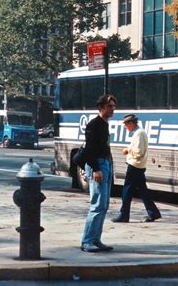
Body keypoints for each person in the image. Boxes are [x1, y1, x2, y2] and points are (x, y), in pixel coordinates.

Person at [80, 94, 117, 253]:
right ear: (101, 107)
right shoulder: (94, 124)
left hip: (106, 163)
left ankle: (96, 239)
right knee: (97, 204)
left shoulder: (104, 124)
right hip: (99, 164)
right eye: (109, 106)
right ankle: (87, 240)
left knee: (104, 204)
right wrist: (96, 169)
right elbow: (89, 150)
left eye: (113, 106)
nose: (112, 109)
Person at [112, 114, 162, 223]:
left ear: (131, 123)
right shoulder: (139, 132)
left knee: (126, 191)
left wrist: (128, 151)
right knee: (143, 191)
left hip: (134, 166)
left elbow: (139, 152)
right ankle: (154, 213)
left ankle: (124, 215)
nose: (125, 127)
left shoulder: (139, 134)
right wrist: (129, 148)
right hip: (139, 166)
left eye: (126, 125)